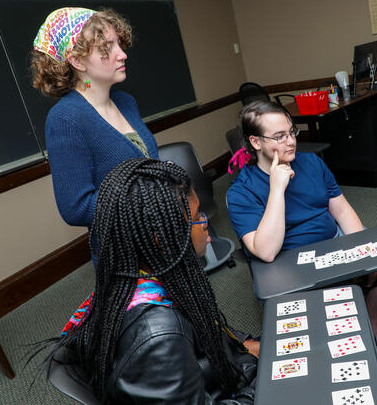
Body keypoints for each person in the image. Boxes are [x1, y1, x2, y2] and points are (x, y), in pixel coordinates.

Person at [43, 158, 258, 403]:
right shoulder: (157, 337)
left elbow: (206, 331)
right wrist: (261, 385)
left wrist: (241, 347)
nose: (205, 223)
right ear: (161, 238)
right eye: (198, 216)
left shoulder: (134, 277)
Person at [227, 101, 377, 335]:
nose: (291, 141)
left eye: (292, 132)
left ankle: (372, 325)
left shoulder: (313, 162)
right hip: (289, 265)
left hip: (333, 248)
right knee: (315, 332)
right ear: (256, 142)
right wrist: (276, 189)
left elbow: (342, 211)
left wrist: (364, 257)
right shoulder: (241, 191)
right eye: (279, 137)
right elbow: (266, 252)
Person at [31, 8, 158, 263]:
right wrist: (145, 195)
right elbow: (75, 208)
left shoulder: (126, 102)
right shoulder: (65, 119)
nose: (122, 54)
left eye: (119, 44)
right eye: (107, 47)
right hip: (125, 256)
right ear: (77, 61)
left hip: (159, 235)